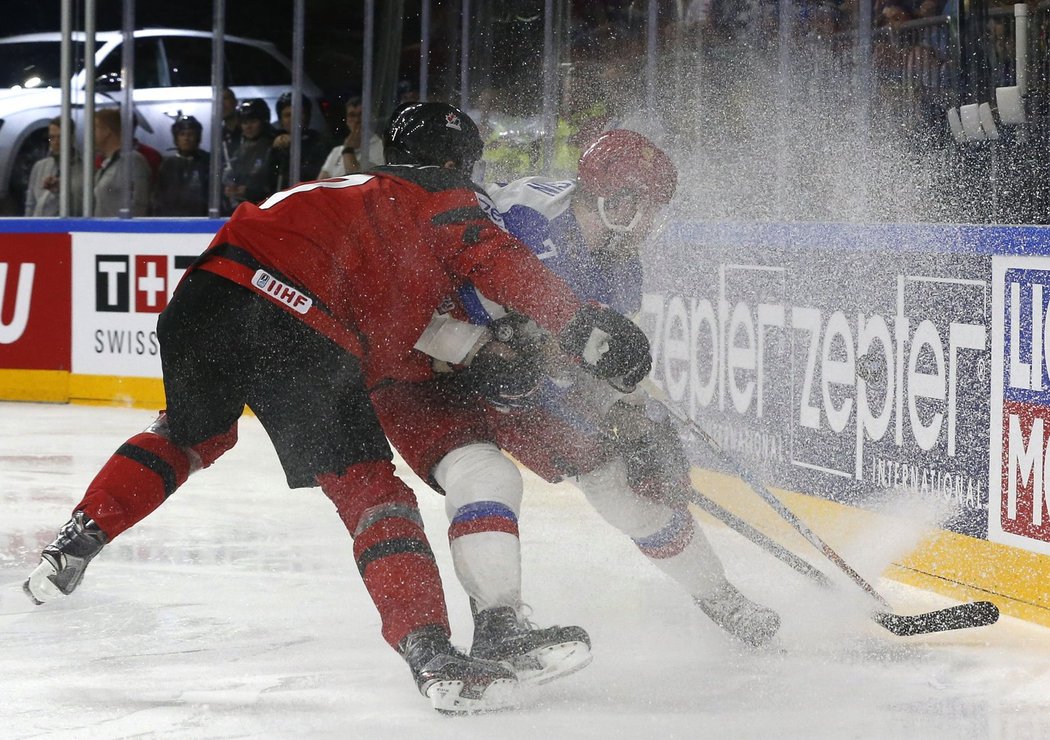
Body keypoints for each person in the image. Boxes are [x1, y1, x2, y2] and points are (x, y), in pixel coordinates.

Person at [22, 102, 651, 714]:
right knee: (370, 490)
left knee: (192, 434)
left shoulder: (341, 191)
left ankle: (79, 535)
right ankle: (432, 656)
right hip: (299, 322)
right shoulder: (444, 199)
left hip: (205, 297)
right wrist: (584, 325)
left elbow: (377, 330)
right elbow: (498, 262)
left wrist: (471, 352)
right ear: (460, 164)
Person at [370, 130, 780, 687]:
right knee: (485, 477)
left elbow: (591, 361)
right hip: (436, 371)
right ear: (620, 202)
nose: (653, 225)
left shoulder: (617, 260)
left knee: (624, 485)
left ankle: (719, 597)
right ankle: (496, 621)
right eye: (649, 210)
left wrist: (630, 419)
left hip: (513, 377)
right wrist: (487, 350)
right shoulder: (522, 220)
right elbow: (418, 304)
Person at [92, 108, 152, 217]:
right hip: (104, 231)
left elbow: (140, 204)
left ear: (106, 131)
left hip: (120, 232)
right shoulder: (107, 163)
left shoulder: (133, 161)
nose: (91, 133)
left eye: (94, 128)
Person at [266, 92, 328, 192]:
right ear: (281, 120)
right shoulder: (275, 142)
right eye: (287, 115)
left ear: (307, 116)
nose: (293, 118)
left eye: (299, 113)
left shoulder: (320, 142)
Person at [222, 98, 275, 213]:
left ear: (264, 121)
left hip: (265, 212)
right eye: (244, 122)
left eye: (253, 121)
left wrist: (251, 192)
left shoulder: (274, 147)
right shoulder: (239, 150)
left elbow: (276, 187)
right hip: (241, 211)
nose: (248, 126)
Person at [152, 115, 210, 217]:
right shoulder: (167, 165)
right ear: (176, 138)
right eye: (182, 134)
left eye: (191, 134)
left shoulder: (208, 162)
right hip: (171, 221)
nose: (186, 138)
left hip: (201, 220)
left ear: (198, 137)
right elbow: (158, 198)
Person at [24, 117, 83, 217]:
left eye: (60, 137)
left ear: (71, 138)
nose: (55, 142)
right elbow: (30, 204)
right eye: (52, 137)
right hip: (39, 226)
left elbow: (81, 208)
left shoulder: (83, 170)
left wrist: (61, 191)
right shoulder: (40, 166)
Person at [317, 96, 384, 178]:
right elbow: (320, 183)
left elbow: (358, 181)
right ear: (347, 120)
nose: (356, 120)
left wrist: (348, 150)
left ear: (370, 118)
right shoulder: (337, 151)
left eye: (361, 115)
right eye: (352, 115)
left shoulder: (380, 147)